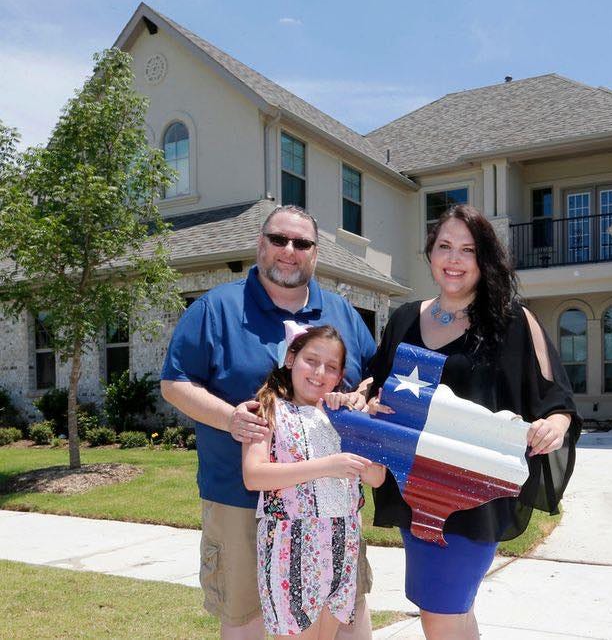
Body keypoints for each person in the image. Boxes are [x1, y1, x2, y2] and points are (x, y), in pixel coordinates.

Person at [161, 206, 376, 640]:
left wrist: (361, 396)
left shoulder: (342, 313)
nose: (289, 251)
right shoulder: (216, 308)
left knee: (344, 616)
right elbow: (174, 383)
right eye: (278, 239)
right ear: (261, 244)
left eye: (302, 243)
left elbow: (373, 379)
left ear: (316, 253)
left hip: (331, 509)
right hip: (240, 499)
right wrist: (231, 418)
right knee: (247, 619)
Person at [367, 204, 582, 640]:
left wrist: (555, 426)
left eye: (468, 249)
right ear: (430, 254)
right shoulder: (405, 318)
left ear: (484, 261)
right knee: (452, 610)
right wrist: (363, 396)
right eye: (444, 246)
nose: (454, 259)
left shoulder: (514, 321)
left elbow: (556, 398)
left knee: (440, 613)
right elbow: (378, 383)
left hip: (473, 494)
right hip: (415, 487)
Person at [243, 322, 386, 640]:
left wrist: (363, 425)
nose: (320, 373)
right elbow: (254, 476)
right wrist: (326, 466)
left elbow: (375, 477)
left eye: (331, 367)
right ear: (291, 358)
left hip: (340, 542)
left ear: (340, 376)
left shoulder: (346, 418)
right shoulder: (267, 410)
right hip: (290, 543)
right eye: (311, 360)